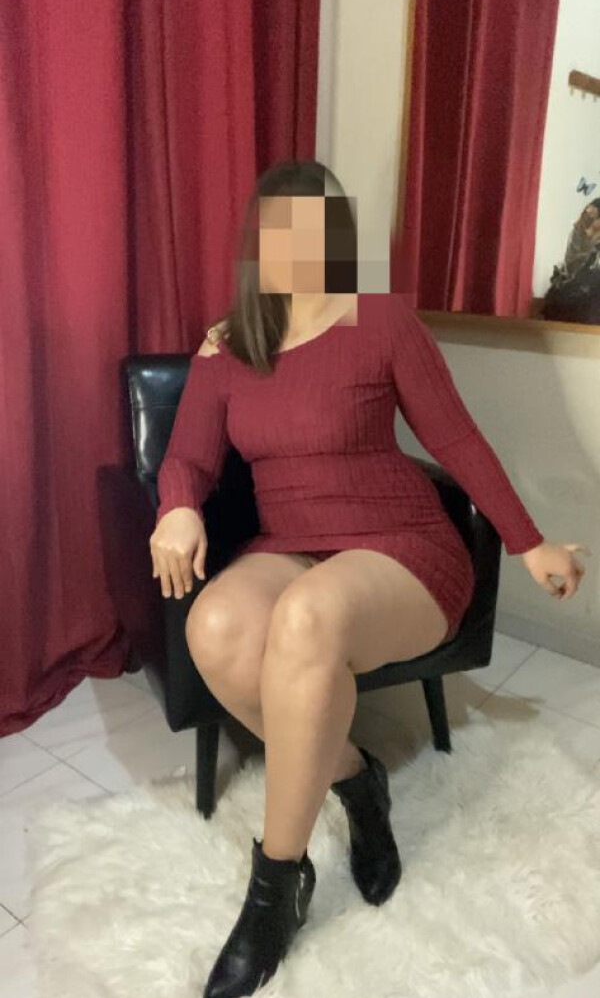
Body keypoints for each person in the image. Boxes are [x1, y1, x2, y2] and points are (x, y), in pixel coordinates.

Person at [149, 160, 588, 998]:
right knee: (215, 627)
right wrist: (177, 508)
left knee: (308, 617)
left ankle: (276, 889)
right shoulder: (229, 345)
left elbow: (456, 439)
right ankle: (356, 778)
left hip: (401, 546)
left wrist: (527, 541)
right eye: (278, 228)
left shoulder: (382, 320)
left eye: (314, 226)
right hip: (292, 542)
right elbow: (189, 457)